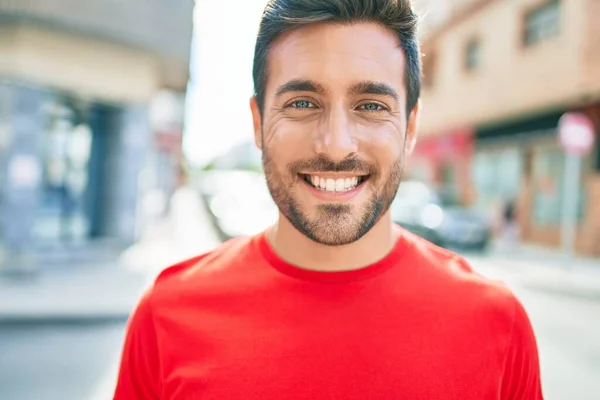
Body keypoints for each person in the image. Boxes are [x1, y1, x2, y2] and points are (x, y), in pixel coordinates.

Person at [114, 0, 544, 398]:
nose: (336, 146)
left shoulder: (497, 324)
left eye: (371, 106)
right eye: (303, 102)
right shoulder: (166, 313)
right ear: (259, 121)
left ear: (410, 127)